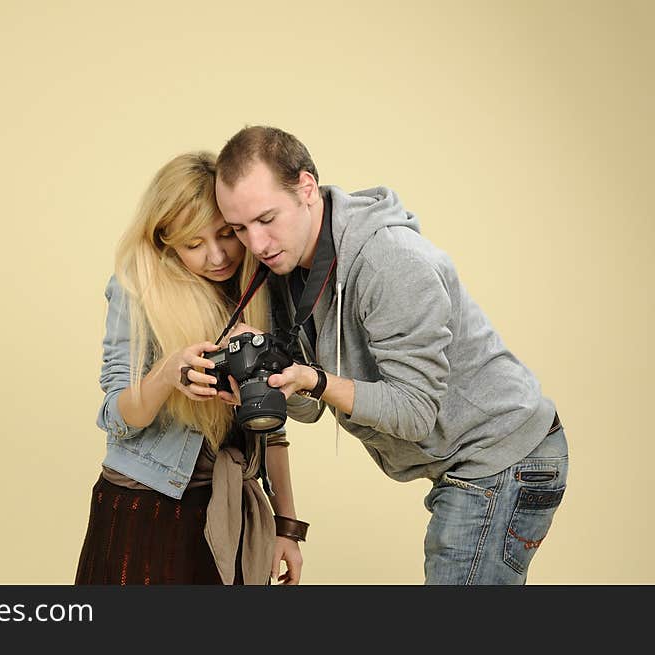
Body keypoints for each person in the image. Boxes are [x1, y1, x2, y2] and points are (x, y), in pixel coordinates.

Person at [213, 125, 568, 585]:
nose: (256, 244)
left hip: (504, 455)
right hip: (465, 460)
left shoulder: (389, 261)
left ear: (305, 188)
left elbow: (415, 412)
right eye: (239, 228)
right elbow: (307, 407)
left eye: (266, 219)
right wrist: (263, 376)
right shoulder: (286, 266)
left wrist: (315, 381)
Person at [75, 151, 306, 585]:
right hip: (144, 510)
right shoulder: (137, 289)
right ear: (166, 242)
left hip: (230, 513)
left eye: (226, 235)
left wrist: (287, 527)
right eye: (194, 244)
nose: (217, 256)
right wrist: (168, 373)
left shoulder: (258, 290)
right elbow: (116, 417)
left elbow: (271, 425)